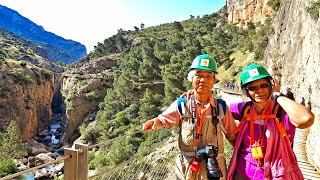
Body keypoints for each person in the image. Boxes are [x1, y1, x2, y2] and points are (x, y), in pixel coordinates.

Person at [142, 54, 237, 180]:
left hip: (214, 168)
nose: (203, 80)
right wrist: (154, 123)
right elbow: (163, 120)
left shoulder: (220, 107)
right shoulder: (182, 104)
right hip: (187, 167)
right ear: (191, 78)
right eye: (199, 75)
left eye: (208, 76)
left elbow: (233, 136)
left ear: (214, 81)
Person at [227, 64, 314, 180]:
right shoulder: (243, 109)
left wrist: (277, 95)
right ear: (247, 92)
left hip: (276, 174)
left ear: (270, 87)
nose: (259, 91)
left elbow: (306, 119)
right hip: (243, 173)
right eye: (253, 88)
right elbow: (219, 109)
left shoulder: (282, 112)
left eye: (264, 85)